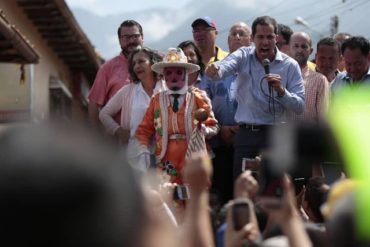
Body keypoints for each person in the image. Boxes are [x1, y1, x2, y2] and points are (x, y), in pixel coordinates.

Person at [205, 16, 305, 180]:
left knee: (275, 191)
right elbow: (225, 66)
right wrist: (215, 70)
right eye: (260, 37)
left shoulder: (290, 65)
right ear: (252, 39)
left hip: (276, 136)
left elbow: (299, 105)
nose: (265, 42)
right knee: (245, 187)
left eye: (269, 37)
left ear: (276, 38)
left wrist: (281, 91)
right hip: (247, 137)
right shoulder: (243, 55)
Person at [135, 48, 218, 185]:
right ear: (163, 76)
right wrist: (142, 150)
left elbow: (213, 125)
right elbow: (143, 130)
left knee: (196, 196)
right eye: (169, 73)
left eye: (178, 72)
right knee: (171, 198)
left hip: (194, 156)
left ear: (186, 74)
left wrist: (205, 130)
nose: (173, 77)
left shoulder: (197, 97)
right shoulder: (156, 100)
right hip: (166, 159)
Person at [207, 21, 252, 204]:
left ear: (250, 40)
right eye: (233, 34)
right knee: (221, 193)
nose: (237, 37)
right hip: (219, 141)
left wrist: (240, 128)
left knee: (244, 194)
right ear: (227, 41)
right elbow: (204, 102)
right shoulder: (214, 69)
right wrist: (221, 128)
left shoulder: (255, 69)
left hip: (248, 140)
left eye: (242, 34)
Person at [99, 47, 165, 169]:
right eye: (134, 63)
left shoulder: (166, 88)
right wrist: (118, 131)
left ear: (153, 62)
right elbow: (104, 114)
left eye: (141, 61)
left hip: (165, 156)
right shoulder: (128, 91)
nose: (136, 66)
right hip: (136, 159)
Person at [88, 20, 144, 128]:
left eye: (135, 36)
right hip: (118, 139)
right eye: (126, 37)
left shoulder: (156, 64)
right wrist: (96, 138)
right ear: (119, 41)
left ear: (142, 37)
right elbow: (94, 104)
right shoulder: (107, 68)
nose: (131, 41)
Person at [289, 32, 329, 122]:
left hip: (309, 135)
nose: (299, 50)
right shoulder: (279, 76)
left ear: (310, 51)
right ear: (289, 48)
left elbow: (323, 118)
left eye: (304, 46)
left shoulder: (320, 80)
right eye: (296, 46)